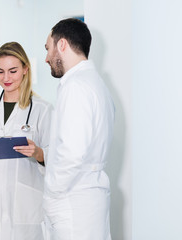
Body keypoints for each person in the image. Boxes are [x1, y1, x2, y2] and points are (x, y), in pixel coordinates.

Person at [0, 42, 53, 240]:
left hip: (25, 206)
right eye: (0, 71)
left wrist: (38, 153)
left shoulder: (43, 109)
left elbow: (56, 155)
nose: (6, 78)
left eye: (12, 71)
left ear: (25, 69)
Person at [43, 18, 115, 240]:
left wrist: (52, 191)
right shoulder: (97, 84)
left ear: (62, 45)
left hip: (72, 201)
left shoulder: (75, 86)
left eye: (48, 48)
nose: (46, 58)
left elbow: (72, 152)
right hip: (89, 199)